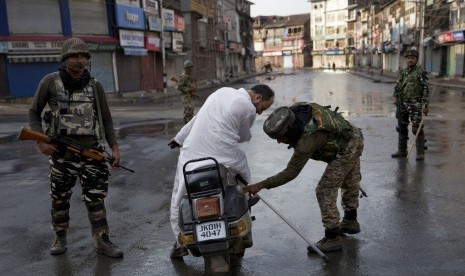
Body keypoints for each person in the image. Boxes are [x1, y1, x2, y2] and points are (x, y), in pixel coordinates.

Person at [28, 37, 123, 258]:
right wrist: (41, 141)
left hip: (92, 152)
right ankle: (59, 237)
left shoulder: (95, 85)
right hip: (62, 154)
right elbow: (33, 112)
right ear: (65, 59)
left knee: (96, 198)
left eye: (84, 57)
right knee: (60, 197)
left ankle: (102, 240)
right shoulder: (50, 82)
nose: (80, 61)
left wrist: (114, 147)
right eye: (75, 56)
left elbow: (106, 119)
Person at [168, 84, 275, 258]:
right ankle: (247, 198)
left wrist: (179, 138)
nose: (261, 112)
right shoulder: (248, 108)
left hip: (191, 155)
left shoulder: (221, 92)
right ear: (257, 98)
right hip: (221, 155)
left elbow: (198, 117)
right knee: (243, 174)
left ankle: (179, 241)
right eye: (264, 107)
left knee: (178, 196)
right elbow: (244, 137)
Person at [242, 103, 364, 254]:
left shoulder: (306, 140)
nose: (280, 142)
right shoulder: (296, 111)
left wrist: (261, 185)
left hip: (349, 145)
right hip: (351, 134)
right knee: (349, 180)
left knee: (325, 189)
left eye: (281, 137)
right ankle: (350, 221)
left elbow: (291, 172)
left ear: (289, 129)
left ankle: (333, 238)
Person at [391, 49, 430, 161]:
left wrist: (425, 105)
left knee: (416, 129)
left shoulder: (420, 73)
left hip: (415, 105)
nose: (410, 60)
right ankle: (402, 151)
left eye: (412, 58)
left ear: (416, 60)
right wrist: (395, 97)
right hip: (402, 105)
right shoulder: (403, 72)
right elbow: (397, 86)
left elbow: (425, 90)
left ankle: (420, 153)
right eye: (408, 58)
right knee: (402, 128)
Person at [178, 60, 197, 124]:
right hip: (186, 97)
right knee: (188, 110)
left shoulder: (189, 75)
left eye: (191, 67)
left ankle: (190, 123)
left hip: (190, 96)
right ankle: (187, 123)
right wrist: (188, 89)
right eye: (189, 67)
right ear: (186, 68)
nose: (191, 68)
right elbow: (179, 87)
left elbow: (191, 84)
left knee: (191, 110)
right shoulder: (184, 76)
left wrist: (193, 91)